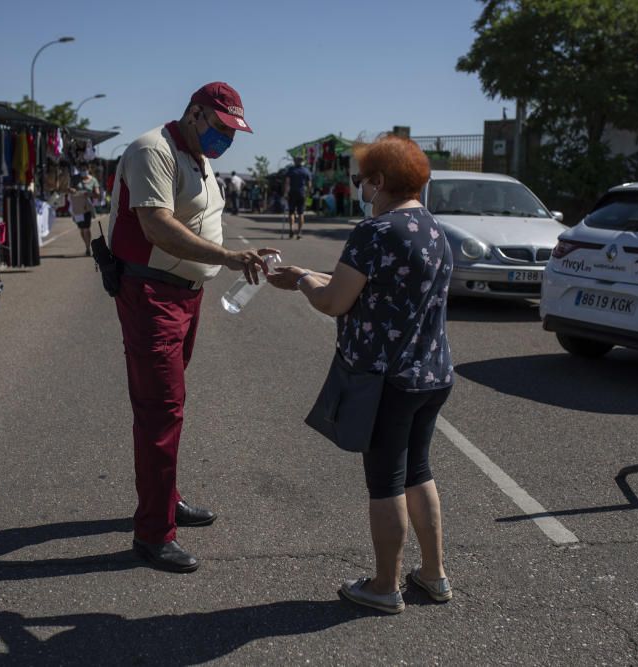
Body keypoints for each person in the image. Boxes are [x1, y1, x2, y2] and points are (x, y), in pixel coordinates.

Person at [267, 135, 454, 614]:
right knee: (419, 471)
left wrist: (304, 282)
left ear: (380, 181)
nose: (360, 187)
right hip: (430, 371)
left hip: (385, 377)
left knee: (386, 481)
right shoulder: (433, 229)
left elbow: (334, 302)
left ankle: (385, 586)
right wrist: (311, 273)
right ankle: (433, 575)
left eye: (362, 179)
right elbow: (375, 290)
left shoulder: (375, 232)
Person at [106, 82, 276, 574]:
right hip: (152, 294)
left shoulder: (198, 155)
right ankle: (154, 534)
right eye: (222, 128)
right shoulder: (151, 150)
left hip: (183, 295)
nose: (228, 140)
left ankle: (166, 499)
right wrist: (227, 257)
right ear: (195, 114)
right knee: (161, 412)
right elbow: (156, 225)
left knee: (171, 407)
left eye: (233, 133)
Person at [73, 166, 100, 255]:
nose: (83, 171)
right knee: (81, 229)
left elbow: (97, 194)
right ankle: (86, 245)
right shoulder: (76, 179)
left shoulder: (93, 180)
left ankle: (88, 248)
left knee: (86, 228)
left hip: (87, 207)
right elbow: (70, 189)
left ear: (88, 169)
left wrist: (89, 194)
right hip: (78, 208)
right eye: (82, 169)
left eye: (84, 169)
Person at [283, 156, 312, 239]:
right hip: (302, 193)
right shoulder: (306, 171)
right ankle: (299, 232)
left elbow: (287, 183)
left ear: (295, 161)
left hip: (292, 193)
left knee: (291, 212)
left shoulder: (291, 170)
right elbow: (309, 185)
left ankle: (292, 228)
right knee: (301, 213)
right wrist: (308, 194)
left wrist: (286, 193)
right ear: (302, 162)